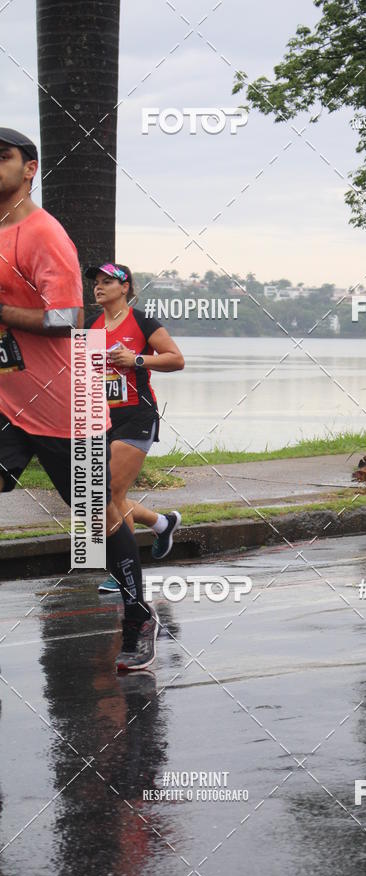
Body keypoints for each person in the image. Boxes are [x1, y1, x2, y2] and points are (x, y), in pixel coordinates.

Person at [0, 126, 157, 670]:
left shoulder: (44, 235)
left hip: (68, 408)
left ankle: (138, 616)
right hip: (7, 403)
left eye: (2, 158)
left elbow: (67, 320)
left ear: (29, 169)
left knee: (98, 520)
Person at [83, 263, 184, 592]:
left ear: (125, 287)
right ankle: (161, 523)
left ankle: (124, 570)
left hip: (137, 416)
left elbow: (176, 359)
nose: (99, 287)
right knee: (109, 496)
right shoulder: (91, 326)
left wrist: (138, 359)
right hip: (103, 418)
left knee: (110, 493)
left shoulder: (142, 322)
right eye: (96, 282)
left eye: (107, 281)